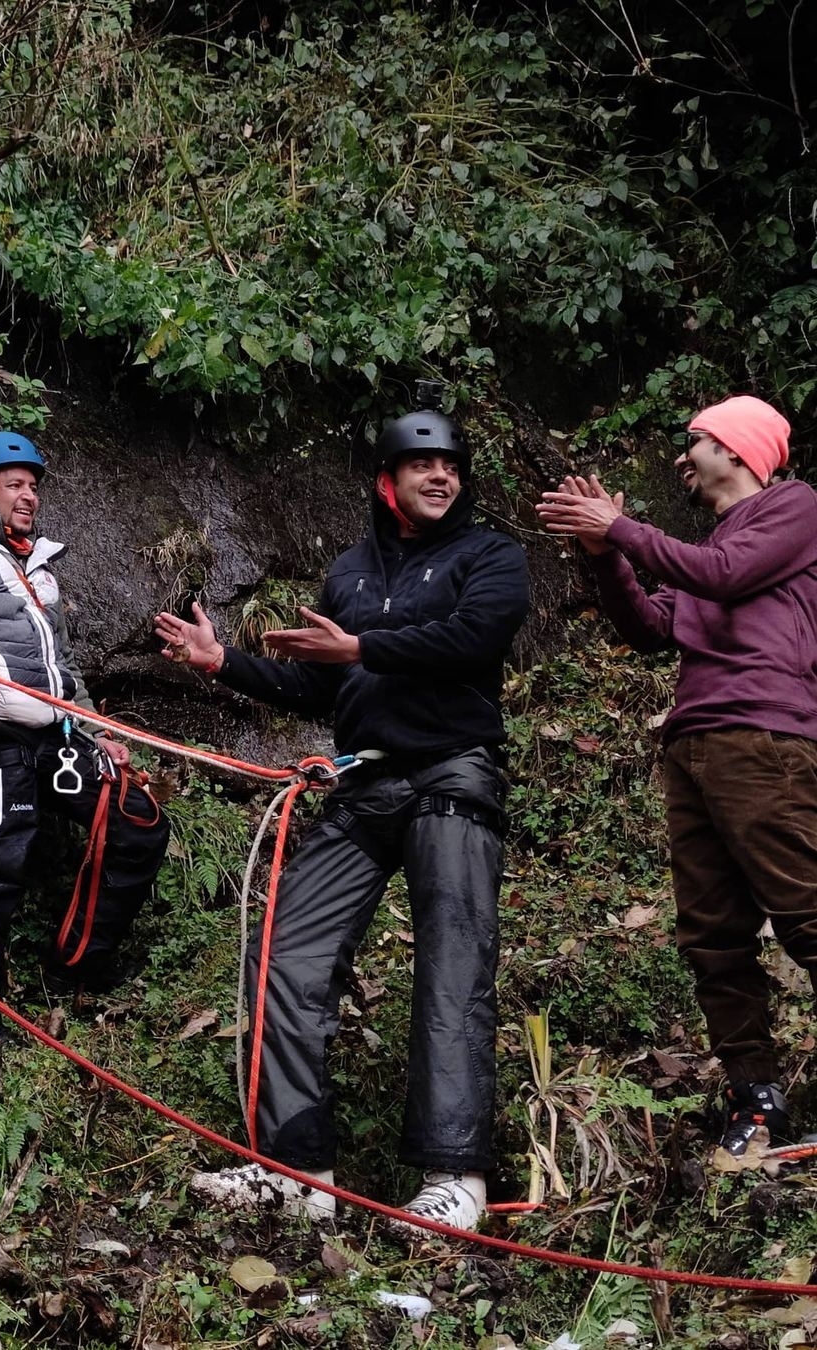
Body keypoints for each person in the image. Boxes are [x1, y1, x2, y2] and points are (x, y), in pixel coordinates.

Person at [154, 405, 529, 1230]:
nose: (443, 477)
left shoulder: (490, 555)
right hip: (365, 787)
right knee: (284, 951)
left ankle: (456, 1176)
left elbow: (474, 638)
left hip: (453, 773)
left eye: (453, 467)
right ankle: (298, 1171)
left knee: (453, 964)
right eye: (424, 465)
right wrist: (225, 665)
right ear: (387, 480)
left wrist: (361, 647)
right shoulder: (352, 574)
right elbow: (324, 690)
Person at [536, 394, 817, 1154]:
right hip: (692, 744)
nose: (681, 457)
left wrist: (621, 528)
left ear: (737, 450)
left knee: (804, 909)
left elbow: (726, 576)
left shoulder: (793, 508)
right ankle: (754, 1096)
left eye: (694, 441)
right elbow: (650, 626)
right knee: (711, 932)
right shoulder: (705, 547)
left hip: (763, 733)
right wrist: (604, 554)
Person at [0, 431, 170, 1046]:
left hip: (53, 736)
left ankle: (82, 959)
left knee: (136, 821)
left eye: (32, 485)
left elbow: (60, 670)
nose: (28, 495)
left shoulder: (33, 568)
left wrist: (95, 731)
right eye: (14, 485)